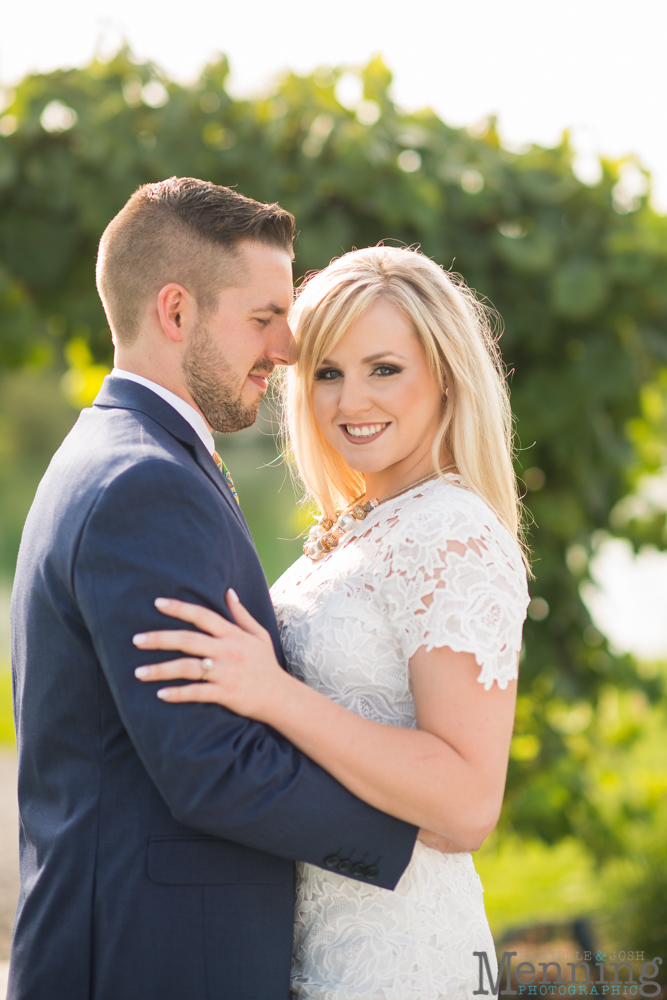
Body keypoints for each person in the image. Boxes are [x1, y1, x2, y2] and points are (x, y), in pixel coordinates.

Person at [8, 180, 420, 1000]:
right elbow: (211, 766)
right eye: (266, 318)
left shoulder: (123, 454)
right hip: (149, 959)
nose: (289, 349)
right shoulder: (142, 484)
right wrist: (413, 833)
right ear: (176, 313)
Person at [133, 245, 532, 998]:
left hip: (394, 957)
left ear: (443, 375)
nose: (350, 402)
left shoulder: (452, 534)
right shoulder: (356, 525)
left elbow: (467, 803)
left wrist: (274, 695)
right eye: (326, 372)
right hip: (300, 943)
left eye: (383, 369)